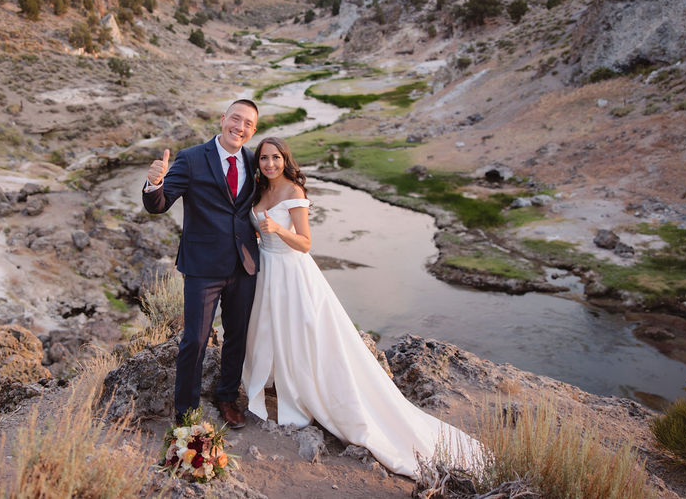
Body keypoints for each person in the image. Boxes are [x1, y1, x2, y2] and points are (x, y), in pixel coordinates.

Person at [242, 137, 482, 477]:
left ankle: (304, 392)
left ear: (285, 159)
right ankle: (276, 380)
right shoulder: (258, 190)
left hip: (292, 272)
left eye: (275, 158)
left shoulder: (294, 192)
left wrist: (278, 228)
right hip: (267, 271)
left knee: (301, 332)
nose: (269, 164)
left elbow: (306, 243)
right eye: (264, 158)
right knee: (270, 328)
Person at [143, 99, 260, 428]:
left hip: (245, 265)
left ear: (253, 131)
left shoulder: (255, 162)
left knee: (237, 335)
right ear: (223, 119)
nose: (240, 127)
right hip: (202, 266)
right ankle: (185, 411)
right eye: (235, 119)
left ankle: (226, 398)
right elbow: (159, 205)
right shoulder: (192, 158)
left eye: (248, 123)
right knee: (195, 338)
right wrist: (155, 183)